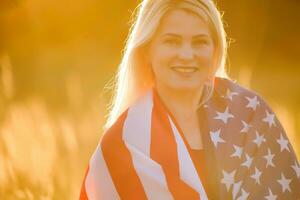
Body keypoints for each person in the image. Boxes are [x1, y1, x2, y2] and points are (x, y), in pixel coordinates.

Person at [79, 0, 300, 199]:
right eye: (172, 41)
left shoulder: (252, 116)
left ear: (215, 50)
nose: (186, 55)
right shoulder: (122, 145)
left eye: (200, 42)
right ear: (147, 50)